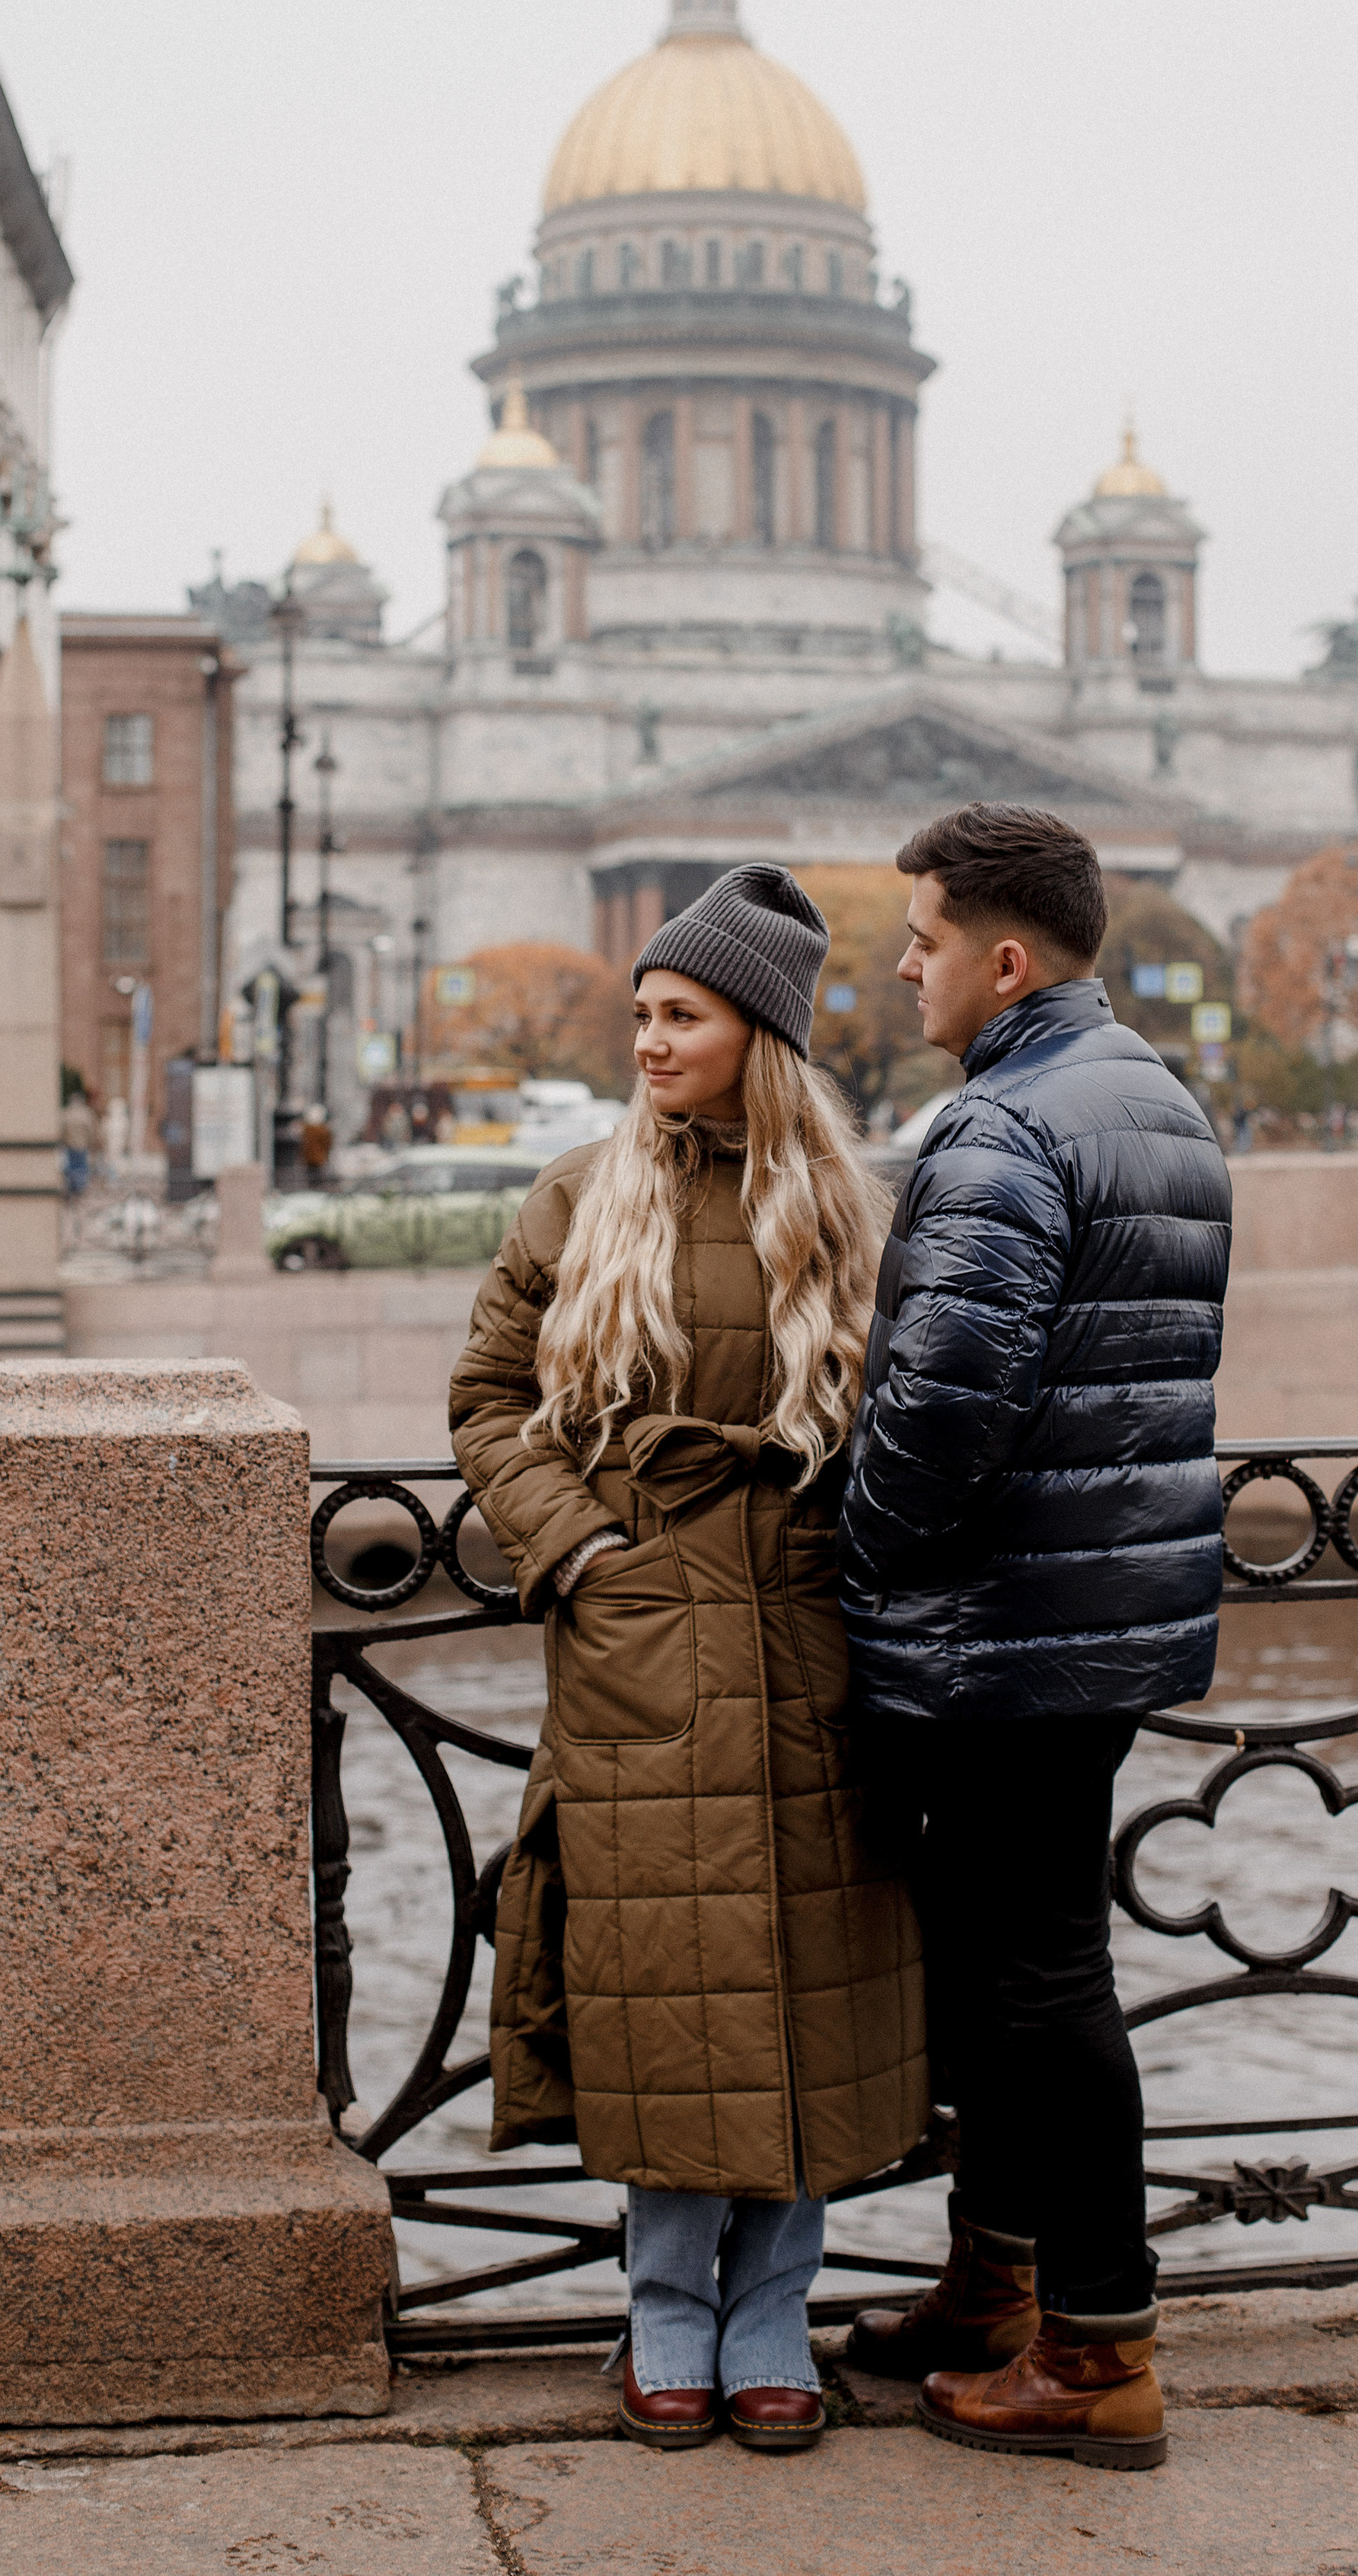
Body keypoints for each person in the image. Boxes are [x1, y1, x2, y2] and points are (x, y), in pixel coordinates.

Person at [451, 863, 926, 2458]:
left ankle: (774, 2303)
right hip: (638, 1633)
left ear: (760, 1037)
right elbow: (488, 1394)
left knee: (798, 1966)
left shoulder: (847, 1205)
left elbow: (902, 1426)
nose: (646, 1042)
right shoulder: (582, 1193)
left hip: (803, 1624)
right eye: (640, 1015)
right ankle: (663, 2307)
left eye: (680, 1016)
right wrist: (578, 1549)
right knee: (665, 1975)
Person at [837, 803, 1232, 2468]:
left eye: (918, 941)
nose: (900, 969)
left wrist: (856, 1545)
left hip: (1000, 1619)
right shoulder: (1152, 1093)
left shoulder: (997, 1124)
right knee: (1015, 1970)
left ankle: (1094, 2352)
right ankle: (994, 2285)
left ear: (1003, 960)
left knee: (1039, 1978)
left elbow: (943, 1404)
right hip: (1105, 1602)